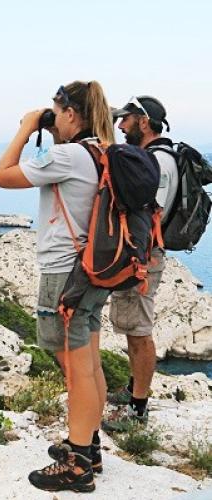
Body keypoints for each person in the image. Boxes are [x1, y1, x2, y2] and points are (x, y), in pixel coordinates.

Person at [0, 80, 114, 493]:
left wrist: (27, 128)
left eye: (56, 112)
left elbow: (1, 175)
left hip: (65, 273)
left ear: (71, 114)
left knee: (75, 370)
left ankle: (78, 464)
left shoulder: (68, 155)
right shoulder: (101, 151)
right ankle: (90, 446)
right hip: (94, 273)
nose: (53, 118)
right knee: (90, 363)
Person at [104, 96, 178, 431]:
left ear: (143, 122)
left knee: (139, 332)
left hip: (145, 258)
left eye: (126, 120)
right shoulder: (157, 157)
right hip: (144, 255)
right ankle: (134, 390)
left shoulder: (157, 162)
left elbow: (148, 211)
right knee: (134, 329)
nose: (121, 126)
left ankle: (138, 409)